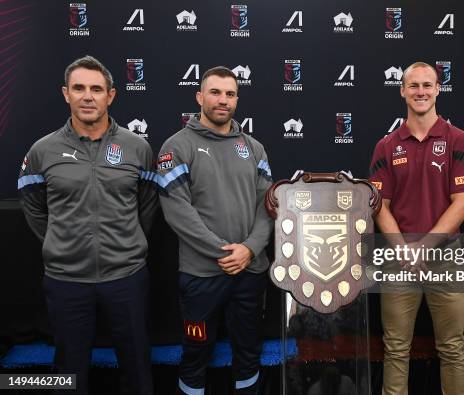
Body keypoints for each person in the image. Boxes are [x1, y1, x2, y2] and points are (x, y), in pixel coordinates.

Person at [17, 55, 157, 394]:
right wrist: (59, 242)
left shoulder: (137, 147)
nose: (88, 96)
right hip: (67, 281)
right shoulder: (42, 150)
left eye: (97, 89)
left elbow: (148, 205)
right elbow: (34, 207)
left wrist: (126, 242)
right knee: (68, 370)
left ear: (111, 95)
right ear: (66, 94)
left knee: (138, 366)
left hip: (126, 276)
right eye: (79, 88)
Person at [156, 66, 273, 395]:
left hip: (250, 272)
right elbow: (177, 211)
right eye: (215, 92)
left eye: (230, 94)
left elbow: (268, 206)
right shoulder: (177, 147)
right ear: (199, 97)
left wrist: (249, 250)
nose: (223, 100)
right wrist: (227, 252)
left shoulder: (254, 147)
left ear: (237, 99)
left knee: (249, 353)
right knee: (195, 353)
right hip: (202, 276)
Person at [368, 61, 464, 395]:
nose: (421, 92)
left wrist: (423, 247)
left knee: (451, 348)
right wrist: (404, 249)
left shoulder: (459, 139)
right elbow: (379, 206)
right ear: (402, 90)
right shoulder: (386, 145)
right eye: (413, 85)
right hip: (397, 259)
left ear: (438, 90)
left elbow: (463, 203)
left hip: (445, 258)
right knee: (396, 348)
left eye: (427, 85)